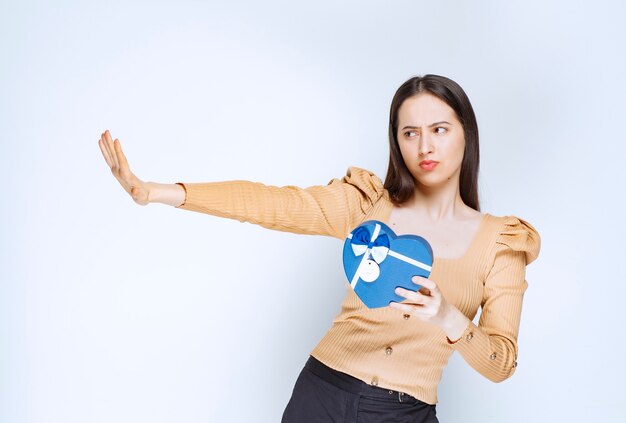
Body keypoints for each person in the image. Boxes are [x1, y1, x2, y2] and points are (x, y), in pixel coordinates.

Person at [98, 74, 541, 423]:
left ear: (466, 132)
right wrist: (160, 192)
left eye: (439, 129)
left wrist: (449, 318)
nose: (424, 146)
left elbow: (500, 364)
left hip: (407, 412)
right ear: (397, 142)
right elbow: (273, 204)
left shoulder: (502, 243)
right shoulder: (369, 204)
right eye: (410, 133)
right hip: (322, 396)